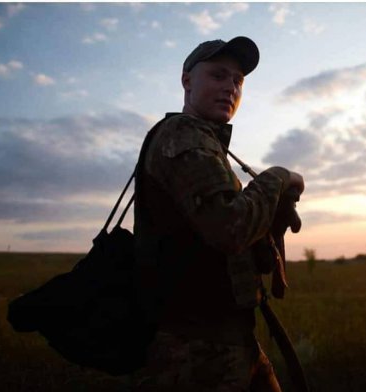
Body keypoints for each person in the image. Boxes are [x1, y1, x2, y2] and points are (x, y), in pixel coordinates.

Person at [133, 36, 305, 391]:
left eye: (238, 81)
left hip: (229, 338)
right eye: (218, 75)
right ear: (187, 80)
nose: (230, 87)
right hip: (195, 351)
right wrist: (278, 176)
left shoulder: (206, 143)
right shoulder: (183, 135)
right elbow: (229, 228)